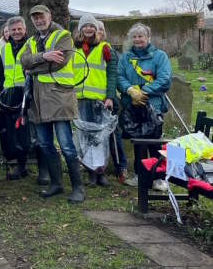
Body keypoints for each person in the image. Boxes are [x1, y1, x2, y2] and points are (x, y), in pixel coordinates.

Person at [21, 5, 85, 203]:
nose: (39, 21)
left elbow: (60, 62)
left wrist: (34, 67)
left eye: (42, 17)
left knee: (66, 145)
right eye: (35, 19)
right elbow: (23, 60)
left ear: (49, 16)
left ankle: (78, 188)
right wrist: (43, 56)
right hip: (39, 100)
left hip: (59, 98)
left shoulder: (63, 36)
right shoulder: (32, 40)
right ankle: (56, 184)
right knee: (45, 144)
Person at [117, 23, 172, 190]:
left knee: (155, 141)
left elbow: (164, 79)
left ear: (148, 38)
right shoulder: (126, 58)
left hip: (153, 105)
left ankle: (158, 178)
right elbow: (119, 77)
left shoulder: (159, 56)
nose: (137, 39)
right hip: (133, 105)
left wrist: (143, 91)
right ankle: (140, 175)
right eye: (134, 36)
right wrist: (130, 91)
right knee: (138, 142)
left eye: (140, 36)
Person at [73, 13, 118, 187]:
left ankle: (101, 171)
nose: (89, 29)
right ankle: (91, 170)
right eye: (85, 26)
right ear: (80, 29)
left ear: (96, 28)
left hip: (99, 100)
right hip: (80, 99)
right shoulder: (75, 48)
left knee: (100, 137)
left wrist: (110, 96)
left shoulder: (105, 48)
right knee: (85, 136)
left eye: (91, 26)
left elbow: (112, 73)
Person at [0, 16, 38, 181]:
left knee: (26, 130)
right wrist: (0, 92)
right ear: (9, 32)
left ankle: (29, 164)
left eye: (19, 29)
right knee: (12, 130)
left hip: (26, 91)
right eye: (13, 30)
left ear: (25, 29)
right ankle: (19, 164)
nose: (17, 32)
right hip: (9, 92)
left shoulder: (31, 46)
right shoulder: (4, 49)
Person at [97, 20, 128, 182]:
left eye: (101, 29)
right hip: (90, 98)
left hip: (108, 98)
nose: (98, 32)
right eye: (96, 29)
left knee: (114, 135)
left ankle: (121, 167)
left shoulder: (109, 51)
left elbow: (113, 76)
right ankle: (96, 168)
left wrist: (109, 96)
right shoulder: (85, 49)